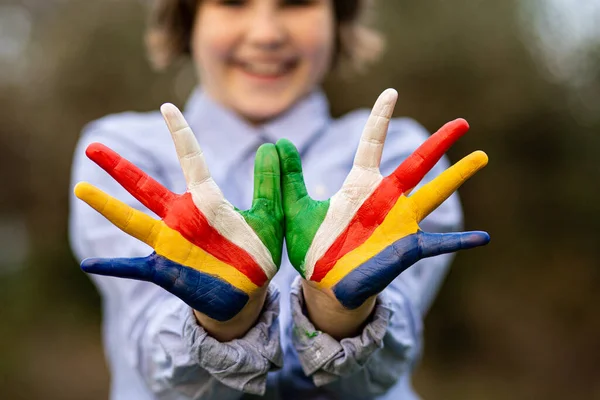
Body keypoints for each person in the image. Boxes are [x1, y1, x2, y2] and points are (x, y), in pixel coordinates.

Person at [69, 1, 489, 399]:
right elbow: (155, 360)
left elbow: (385, 366)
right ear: (188, 16)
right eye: (232, 2)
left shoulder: (396, 158)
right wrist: (224, 320)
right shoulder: (127, 156)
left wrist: (338, 310)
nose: (267, 34)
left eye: (298, 2)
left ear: (338, 15)